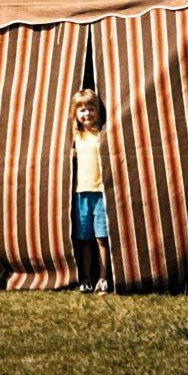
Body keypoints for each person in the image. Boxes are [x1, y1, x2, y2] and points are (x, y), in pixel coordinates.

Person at [71, 88, 111, 294]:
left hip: (100, 193)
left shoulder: (102, 135)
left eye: (91, 109)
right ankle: (86, 278)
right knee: (84, 238)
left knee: (102, 238)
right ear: (76, 114)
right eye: (82, 110)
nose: (87, 114)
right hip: (81, 194)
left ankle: (103, 278)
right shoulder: (75, 137)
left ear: (98, 111)